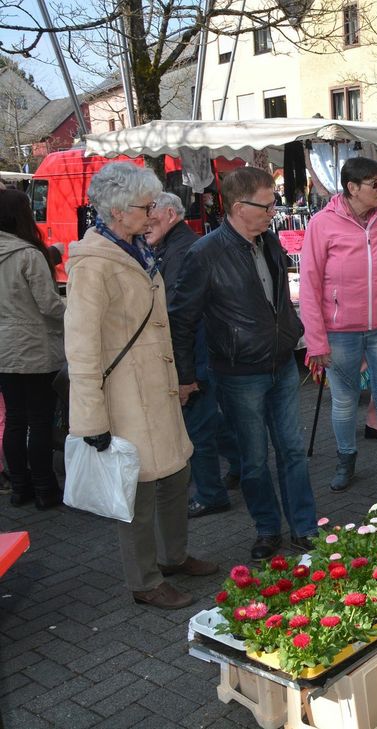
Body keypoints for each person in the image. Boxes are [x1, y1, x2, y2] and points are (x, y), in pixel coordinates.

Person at [66, 162, 216, 609]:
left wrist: (178, 379)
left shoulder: (134, 248)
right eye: (145, 206)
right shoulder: (94, 265)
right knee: (136, 491)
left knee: (175, 474)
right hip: (126, 399)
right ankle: (144, 581)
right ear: (115, 210)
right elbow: (81, 347)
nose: (152, 214)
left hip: (157, 390)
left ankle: (172, 556)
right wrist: (90, 419)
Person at [170, 167, 318, 562]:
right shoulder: (204, 254)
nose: (275, 211)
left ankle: (304, 527)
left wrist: (292, 330)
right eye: (268, 205)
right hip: (239, 374)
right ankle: (267, 528)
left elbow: (277, 298)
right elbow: (181, 320)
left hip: (281, 363)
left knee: (291, 451)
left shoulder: (267, 241)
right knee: (253, 459)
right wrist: (185, 377)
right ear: (239, 207)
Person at [299, 157, 377, 492]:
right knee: (343, 400)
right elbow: (309, 286)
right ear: (352, 188)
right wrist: (316, 341)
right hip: (340, 332)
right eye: (375, 183)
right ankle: (345, 460)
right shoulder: (322, 224)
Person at [147, 192, 242, 518]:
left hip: (197, 352)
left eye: (152, 213)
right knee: (208, 421)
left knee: (198, 427)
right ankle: (242, 461)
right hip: (199, 351)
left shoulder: (183, 250)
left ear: (171, 213)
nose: (147, 220)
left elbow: (180, 317)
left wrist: (187, 373)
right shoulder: (171, 246)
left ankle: (211, 494)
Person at [0, 189, 65, 509]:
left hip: (4, 351)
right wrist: (74, 315)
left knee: (15, 419)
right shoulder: (28, 254)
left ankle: (20, 488)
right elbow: (50, 305)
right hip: (35, 348)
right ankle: (45, 490)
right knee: (39, 420)